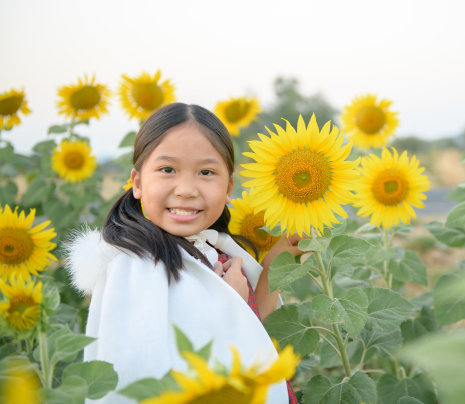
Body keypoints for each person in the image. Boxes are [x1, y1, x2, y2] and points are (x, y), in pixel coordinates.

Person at [66, 103, 302, 404]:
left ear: (228, 187)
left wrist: (277, 260)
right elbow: (143, 372)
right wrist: (227, 300)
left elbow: (252, 322)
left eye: (206, 172)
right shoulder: (136, 266)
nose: (187, 189)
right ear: (137, 182)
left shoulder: (211, 246)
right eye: (168, 170)